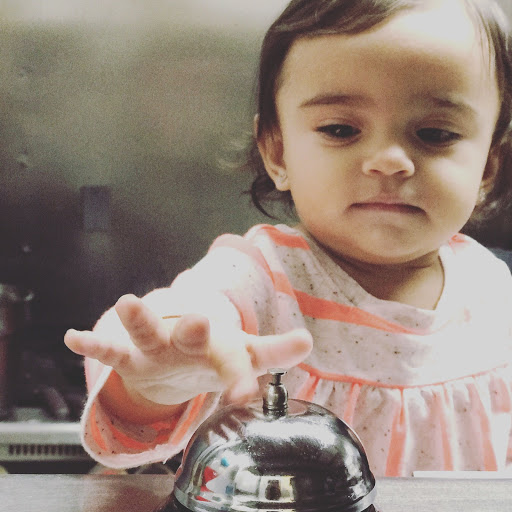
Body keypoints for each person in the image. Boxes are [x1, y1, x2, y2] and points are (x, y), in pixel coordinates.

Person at [64, 0, 512, 477]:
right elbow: (183, 321)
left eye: (436, 133)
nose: (389, 160)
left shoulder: (494, 291)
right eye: (341, 129)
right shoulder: (257, 278)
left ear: (488, 166)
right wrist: (156, 381)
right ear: (277, 153)